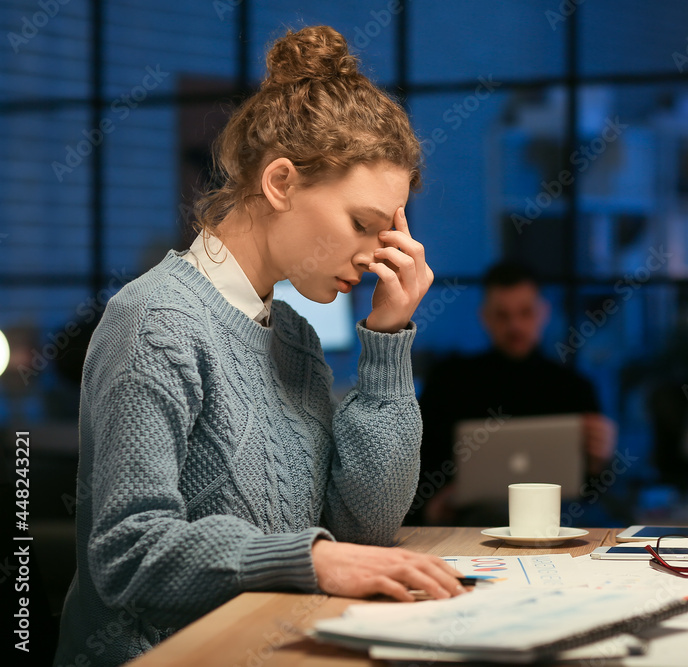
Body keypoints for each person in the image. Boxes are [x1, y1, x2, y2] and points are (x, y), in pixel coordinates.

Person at [55, 26, 466, 667]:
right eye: (363, 224)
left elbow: (363, 530)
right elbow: (128, 553)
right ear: (280, 183)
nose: (375, 255)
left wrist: (386, 340)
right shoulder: (155, 321)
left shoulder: (293, 336)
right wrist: (310, 557)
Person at [413, 261, 617, 526]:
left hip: (558, 516)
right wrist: (431, 505)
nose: (515, 326)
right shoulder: (449, 381)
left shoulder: (574, 386)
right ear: (485, 317)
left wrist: (600, 459)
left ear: (544, 313)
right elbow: (420, 463)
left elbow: (593, 489)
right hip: (472, 518)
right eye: (503, 315)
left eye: (525, 313)